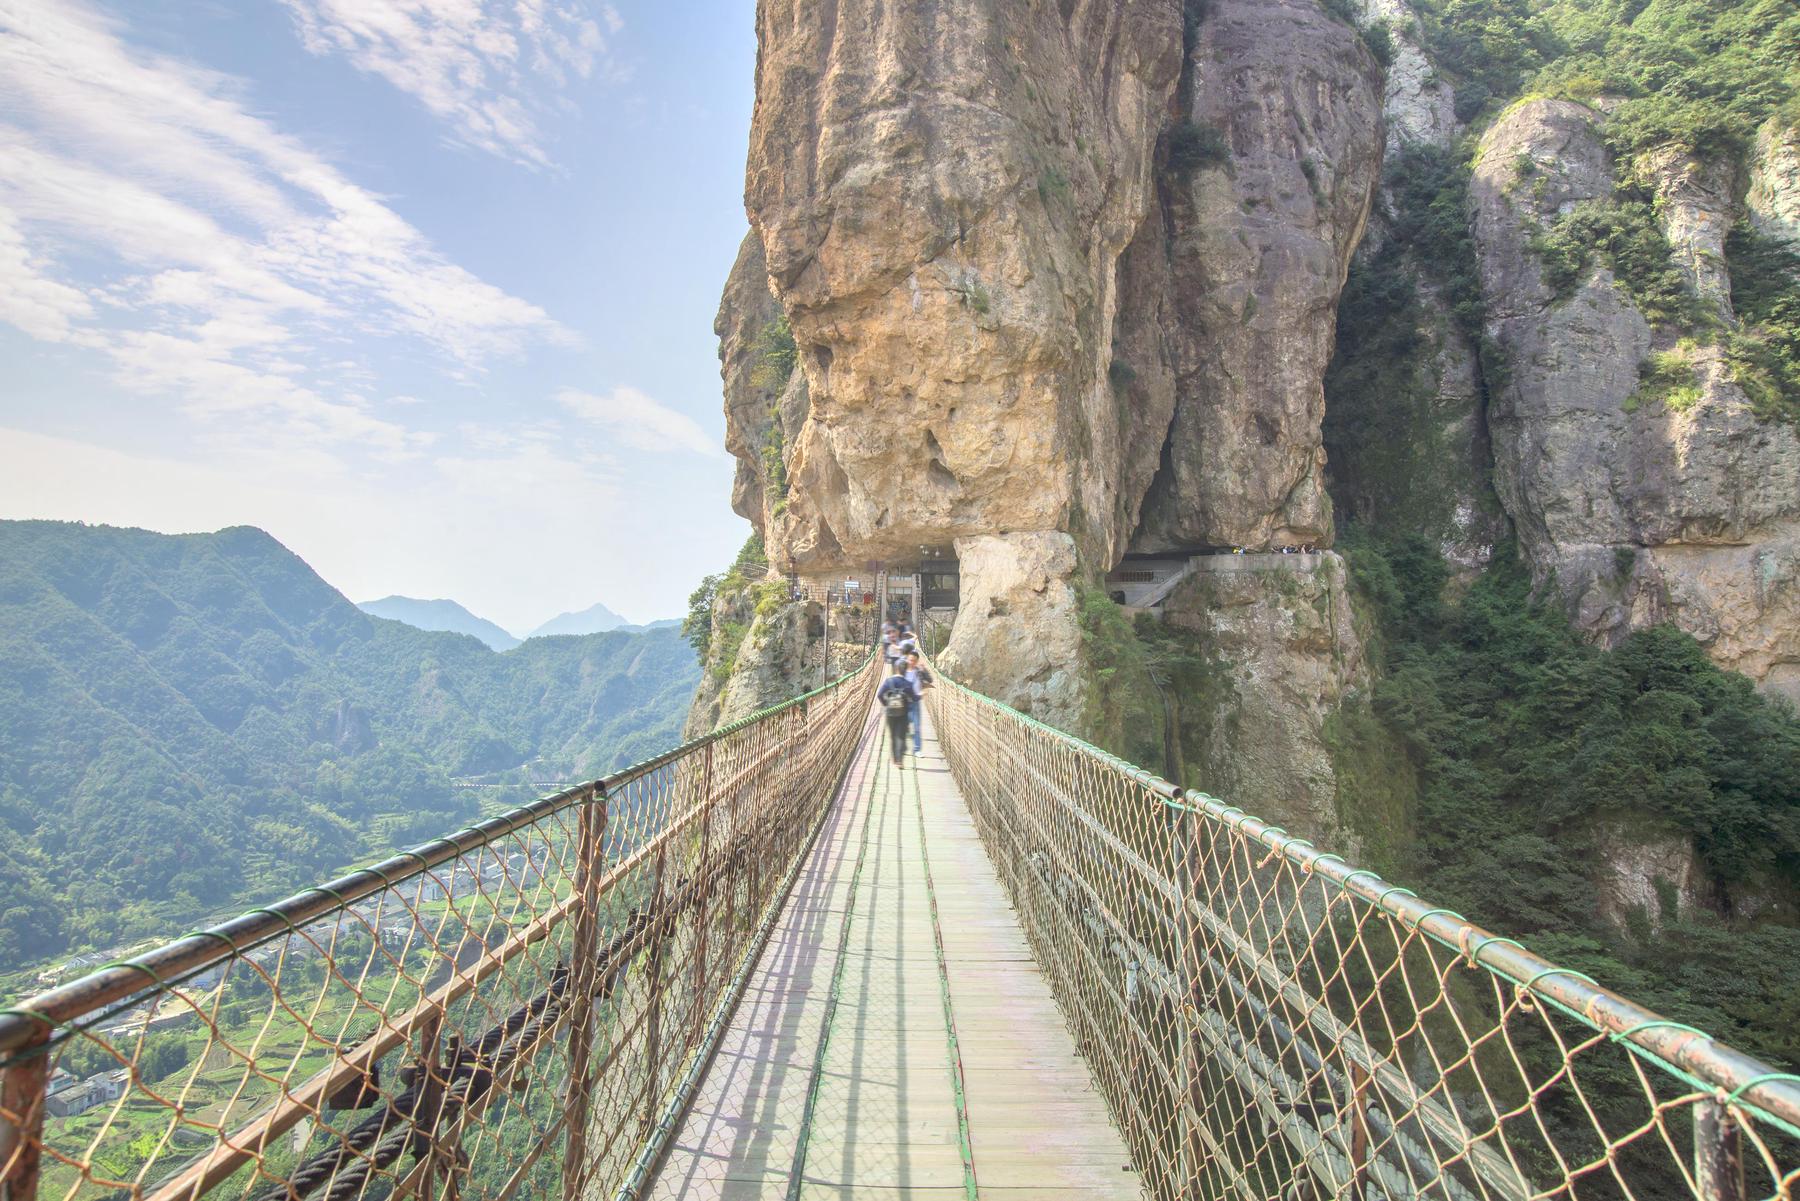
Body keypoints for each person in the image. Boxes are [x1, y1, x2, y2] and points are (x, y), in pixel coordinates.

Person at [877, 663, 914, 767]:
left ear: (896, 669)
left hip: (890, 713)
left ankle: (894, 757)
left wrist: (886, 704)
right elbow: (913, 698)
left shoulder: (889, 682)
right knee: (901, 736)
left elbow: (879, 694)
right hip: (903, 713)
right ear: (905, 671)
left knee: (893, 735)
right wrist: (908, 707)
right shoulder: (908, 683)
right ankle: (899, 760)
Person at [904, 650, 933, 753]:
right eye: (910, 660)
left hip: (916, 702)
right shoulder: (902, 671)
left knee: (917, 727)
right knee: (904, 724)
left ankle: (917, 750)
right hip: (904, 703)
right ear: (907, 659)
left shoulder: (919, 671)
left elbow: (930, 680)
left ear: (916, 661)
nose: (912, 662)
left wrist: (924, 670)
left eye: (914, 661)